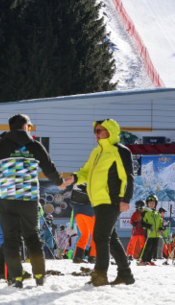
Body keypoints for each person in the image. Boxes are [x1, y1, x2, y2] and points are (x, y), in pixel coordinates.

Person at [0, 114, 69, 288]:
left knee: (11, 239)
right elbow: (48, 167)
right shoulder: (35, 145)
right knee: (32, 236)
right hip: (29, 198)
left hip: (7, 198)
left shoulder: (1, 145)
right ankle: (39, 276)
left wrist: (0, 182)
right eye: (29, 127)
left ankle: (16, 278)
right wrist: (59, 182)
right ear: (24, 127)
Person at [69, 119, 135, 286]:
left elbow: (128, 177)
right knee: (110, 238)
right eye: (95, 131)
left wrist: (126, 199)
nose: (96, 134)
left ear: (109, 131)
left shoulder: (120, 151)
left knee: (100, 236)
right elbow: (85, 172)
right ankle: (125, 274)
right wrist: (74, 178)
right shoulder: (96, 152)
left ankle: (100, 276)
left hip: (111, 200)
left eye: (99, 131)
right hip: (97, 201)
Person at [69, 182, 96, 263]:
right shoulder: (92, 185)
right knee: (95, 235)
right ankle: (92, 257)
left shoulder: (77, 186)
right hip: (89, 213)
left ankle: (77, 257)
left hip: (78, 213)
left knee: (84, 235)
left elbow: (71, 202)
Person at [138, 195, 163, 265]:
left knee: (154, 247)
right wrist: (148, 226)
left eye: (153, 203)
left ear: (156, 204)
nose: (151, 204)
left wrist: (161, 228)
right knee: (148, 247)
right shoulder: (145, 212)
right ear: (147, 204)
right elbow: (142, 223)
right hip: (149, 233)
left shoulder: (157, 213)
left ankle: (149, 259)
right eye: (150, 203)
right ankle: (144, 260)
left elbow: (160, 222)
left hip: (156, 234)